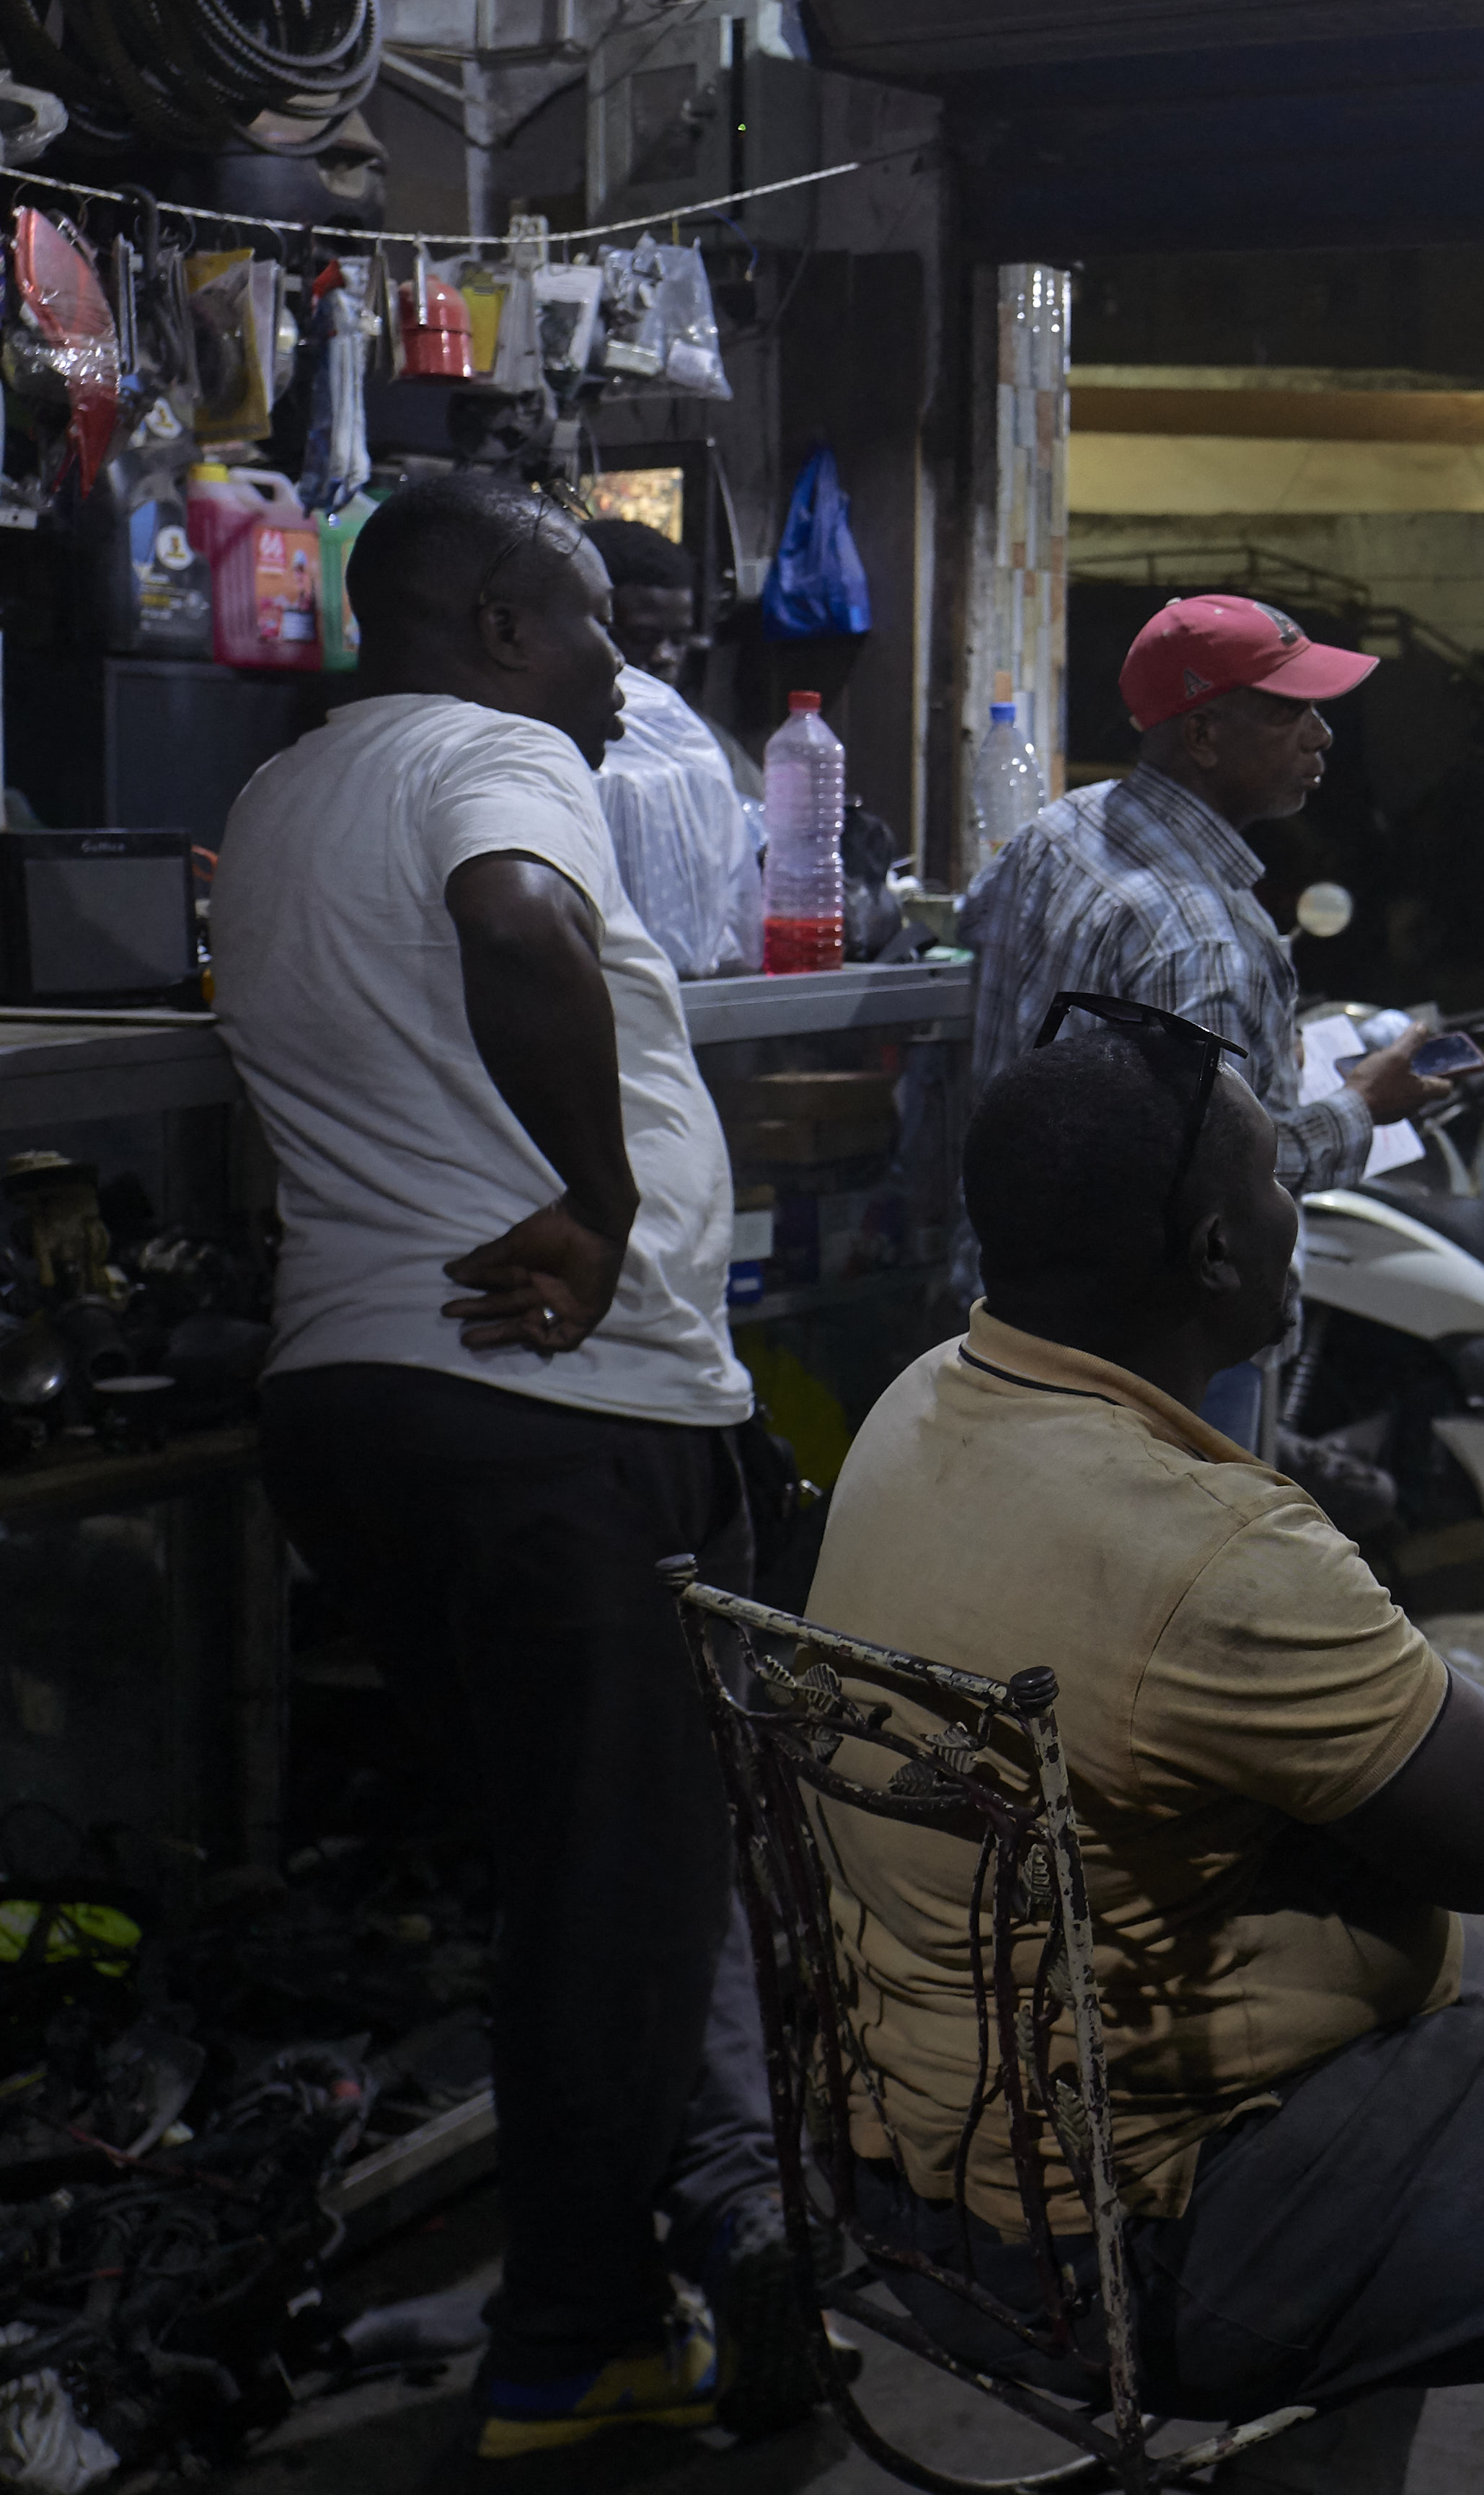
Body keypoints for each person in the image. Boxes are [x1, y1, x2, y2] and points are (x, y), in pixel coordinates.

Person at [803, 1019, 1484, 2493]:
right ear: (1216, 1252)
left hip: (912, 2150)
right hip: (1127, 2235)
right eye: (1279, 1176)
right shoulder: (1208, 1551)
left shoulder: (920, 1403)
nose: (1299, 1207)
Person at [214, 472, 805, 2456]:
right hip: (552, 1410)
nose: (617, 662)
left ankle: (636, 2279)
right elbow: (519, 918)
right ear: (488, 627)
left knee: (568, 1886)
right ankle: (576, 2348)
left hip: (358, 1405)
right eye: (585, 621)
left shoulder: (291, 792)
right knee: (619, 1899)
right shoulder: (487, 759)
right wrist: (604, 1192)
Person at [954, 593, 1439, 1446]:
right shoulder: (1203, 938)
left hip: (1002, 1313)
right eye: (1289, 711)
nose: (1321, 735)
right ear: (1204, 737)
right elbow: (1215, 1189)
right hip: (1152, 1363)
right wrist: (1363, 1107)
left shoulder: (1056, 834)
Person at [583, 517, 765, 978]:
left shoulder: (696, 743)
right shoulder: (545, 740)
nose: (666, 656)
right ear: (592, 625)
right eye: (644, 638)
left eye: (680, 641)